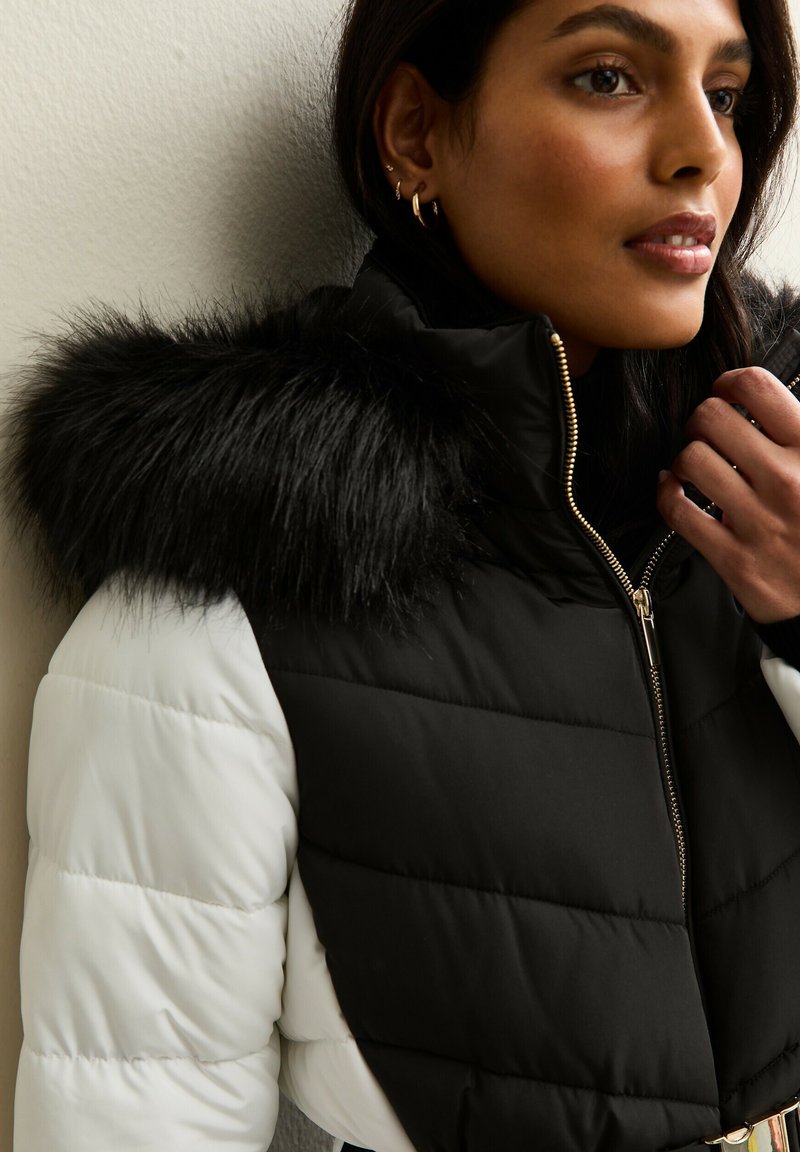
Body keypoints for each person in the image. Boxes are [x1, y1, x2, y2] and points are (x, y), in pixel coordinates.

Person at [10, 0, 800, 1149]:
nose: (701, 152)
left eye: (723, 94)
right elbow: (130, 1115)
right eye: (606, 77)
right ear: (416, 133)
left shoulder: (774, 501)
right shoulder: (227, 596)